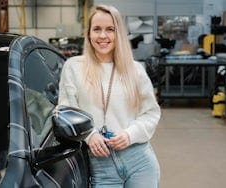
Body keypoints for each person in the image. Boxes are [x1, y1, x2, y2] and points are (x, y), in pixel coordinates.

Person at [58, 4, 161, 188]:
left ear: (118, 34)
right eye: (97, 29)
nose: (103, 36)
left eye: (110, 29)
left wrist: (130, 135)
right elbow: (66, 111)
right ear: (89, 33)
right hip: (101, 165)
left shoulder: (135, 70)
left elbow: (151, 113)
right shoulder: (73, 67)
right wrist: (89, 135)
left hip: (139, 160)